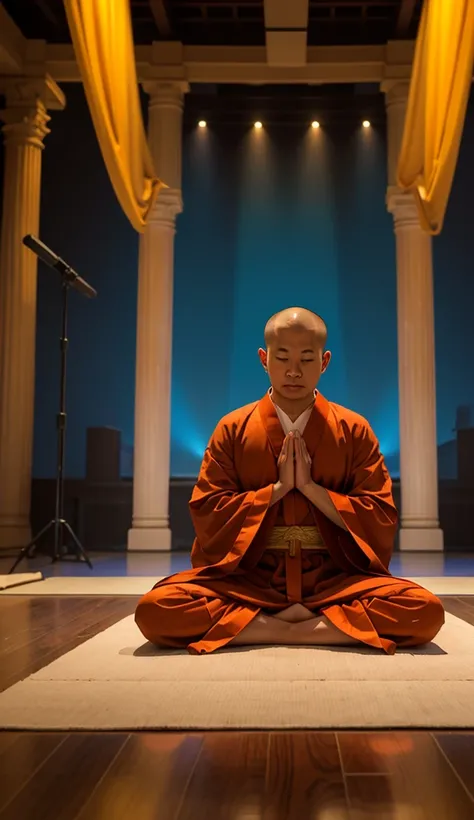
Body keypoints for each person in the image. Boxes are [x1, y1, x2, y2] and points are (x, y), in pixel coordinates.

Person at [135, 307, 444, 655]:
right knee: (155, 610)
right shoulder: (232, 428)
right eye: (282, 358)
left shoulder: (354, 430)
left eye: (307, 359)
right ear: (264, 358)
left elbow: (380, 514)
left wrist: (312, 489)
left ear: (324, 362)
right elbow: (208, 511)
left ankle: (265, 630)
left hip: (333, 579)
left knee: (425, 611)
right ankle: (321, 631)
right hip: (251, 579)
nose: (294, 371)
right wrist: (276, 491)